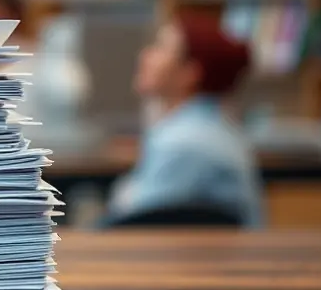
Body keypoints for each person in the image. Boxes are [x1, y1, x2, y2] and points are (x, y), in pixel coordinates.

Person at [102, 13, 264, 227]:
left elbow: (131, 221)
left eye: (160, 48)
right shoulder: (209, 126)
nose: (145, 55)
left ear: (190, 73)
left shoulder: (184, 143)